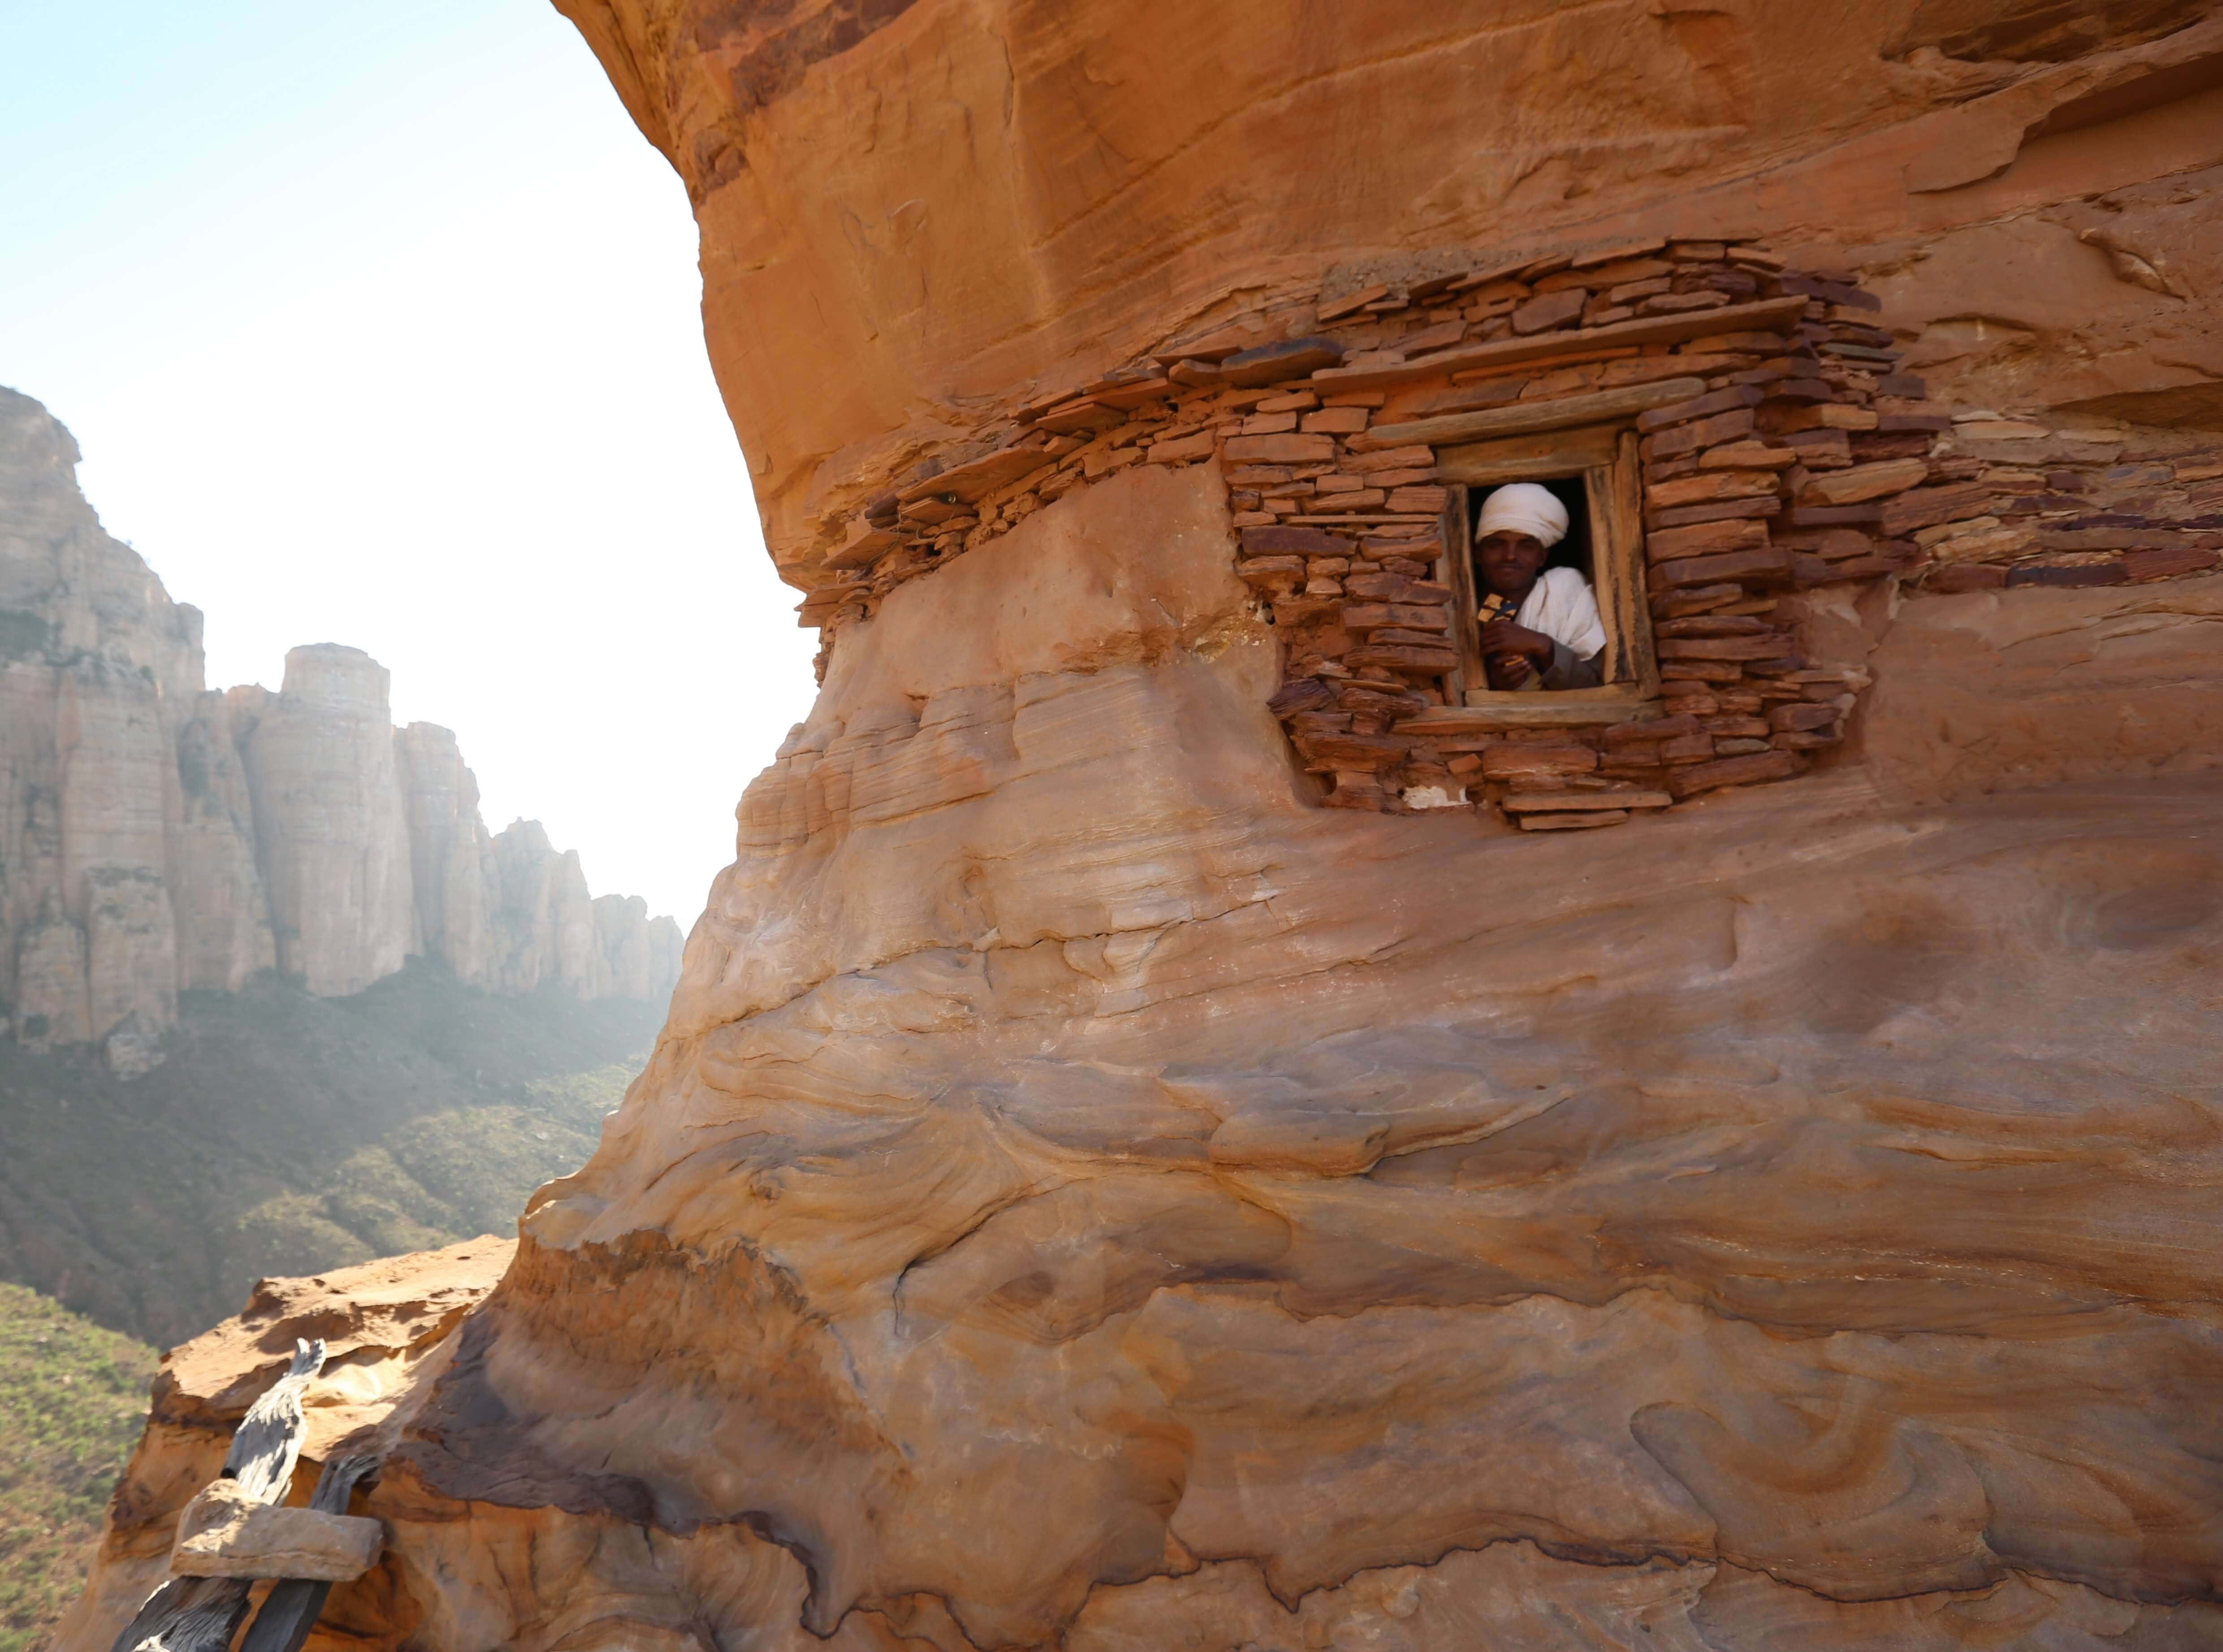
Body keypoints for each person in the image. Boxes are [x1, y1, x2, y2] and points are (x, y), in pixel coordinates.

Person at [1472, 482, 1608, 691]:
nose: (1510, 556)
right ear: (1478, 554)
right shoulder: (1459, 609)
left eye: (1526, 546)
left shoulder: (1566, 593)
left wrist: (1544, 647)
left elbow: (1598, 685)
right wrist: (1493, 685)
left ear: (1542, 556)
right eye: (1496, 544)